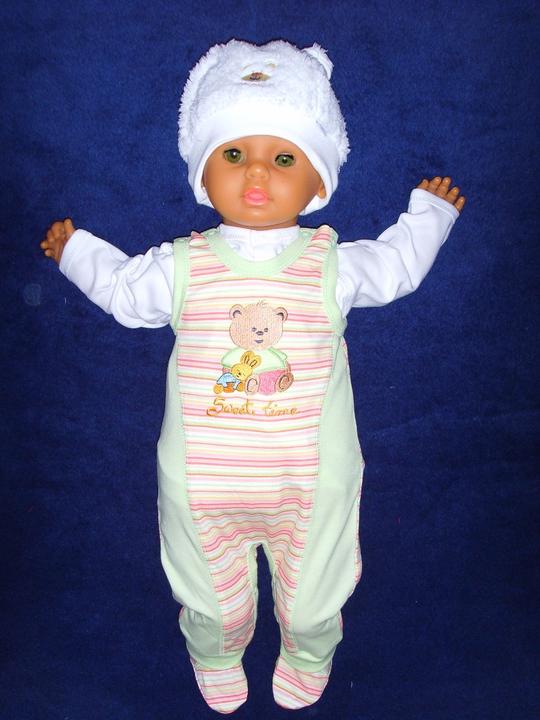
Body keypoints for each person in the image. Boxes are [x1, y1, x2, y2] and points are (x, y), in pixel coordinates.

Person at [41, 39, 465, 714]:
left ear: (318, 182)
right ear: (202, 174)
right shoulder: (183, 264)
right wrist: (77, 254)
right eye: (234, 154)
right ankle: (214, 650)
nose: (258, 173)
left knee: (316, 595)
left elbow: (396, 267)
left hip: (312, 482)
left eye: (284, 158)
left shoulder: (331, 263)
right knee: (209, 597)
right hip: (202, 485)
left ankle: (309, 650)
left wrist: (429, 218)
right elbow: (124, 292)